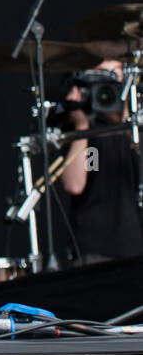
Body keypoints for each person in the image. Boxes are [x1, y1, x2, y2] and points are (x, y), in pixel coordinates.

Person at [58, 58, 143, 262]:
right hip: (94, 249)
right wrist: (82, 128)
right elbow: (75, 184)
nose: (108, 83)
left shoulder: (133, 130)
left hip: (134, 248)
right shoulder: (89, 135)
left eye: (114, 74)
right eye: (100, 74)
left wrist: (124, 111)